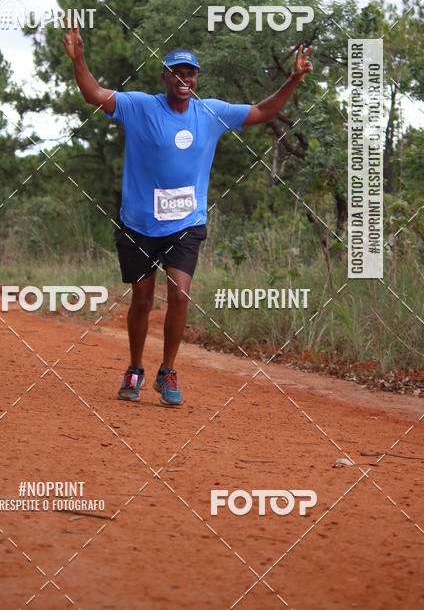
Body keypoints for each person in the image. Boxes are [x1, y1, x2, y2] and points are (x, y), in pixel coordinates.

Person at [63, 25, 313, 407]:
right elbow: (93, 94)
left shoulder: (211, 113)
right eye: (177, 72)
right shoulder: (140, 106)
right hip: (139, 224)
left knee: (179, 293)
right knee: (142, 300)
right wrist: (79, 60)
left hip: (186, 224)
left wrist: (293, 79)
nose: (185, 78)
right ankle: (134, 368)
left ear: (197, 78)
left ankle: (167, 371)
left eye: (191, 73)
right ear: (165, 76)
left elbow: (262, 111)